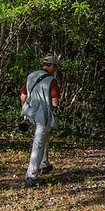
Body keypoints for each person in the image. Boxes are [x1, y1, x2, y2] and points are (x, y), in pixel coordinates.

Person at [19, 55, 60, 187]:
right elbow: (54, 103)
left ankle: (45, 165)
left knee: (44, 139)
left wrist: (24, 114)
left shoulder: (31, 76)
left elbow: (23, 96)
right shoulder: (51, 81)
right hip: (43, 116)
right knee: (38, 143)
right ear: (52, 66)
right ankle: (31, 176)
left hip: (30, 112)